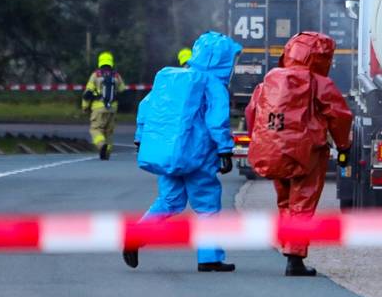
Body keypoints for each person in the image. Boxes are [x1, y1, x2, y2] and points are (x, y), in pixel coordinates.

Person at [124, 31, 242, 272]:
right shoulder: (214, 85)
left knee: (169, 200)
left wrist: (140, 137)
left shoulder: (173, 78)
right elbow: (216, 120)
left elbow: (146, 107)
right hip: (199, 155)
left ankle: (136, 236)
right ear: (221, 60)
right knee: (208, 206)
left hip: (169, 152)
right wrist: (225, 150)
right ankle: (209, 258)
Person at [246, 31, 352, 276]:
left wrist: (261, 141)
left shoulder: (269, 80)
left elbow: (253, 112)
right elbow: (339, 116)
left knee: (284, 202)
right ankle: (294, 258)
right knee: (302, 204)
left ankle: (288, 245)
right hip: (307, 152)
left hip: (273, 148)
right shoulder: (319, 83)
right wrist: (343, 146)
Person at [82, 51, 126, 160]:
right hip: (112, 108)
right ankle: (107, 153)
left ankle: (101, 145)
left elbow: (87, 93)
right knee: (109, 132)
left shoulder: (95, 75)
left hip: (98, 107)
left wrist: (85, 107)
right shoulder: (116, 75)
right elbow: (123, 90)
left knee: (96, 129)